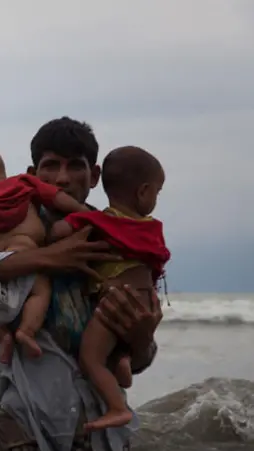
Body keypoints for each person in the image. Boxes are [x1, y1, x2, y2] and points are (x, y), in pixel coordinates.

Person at [0, 117, 162, 451]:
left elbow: (141, 360)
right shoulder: (5, 229)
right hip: (30, 428)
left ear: (95, 175)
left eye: (75, 166)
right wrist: (44, 259)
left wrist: (142, 338)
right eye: (51, 166)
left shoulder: (115, 238)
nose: (62, 178)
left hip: (103, 437)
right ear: (33, 173)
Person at [50, 146, 170, 431]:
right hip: (144, 298)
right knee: (114, 344)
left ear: (97, 177)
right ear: (142, 192)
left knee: (91, 358)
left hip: (114, 300)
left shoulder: (99, 223)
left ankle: (117, 407)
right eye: (157, 192)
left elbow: (59, 232)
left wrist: (52, 238)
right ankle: (123, 360)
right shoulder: (152, 227)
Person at [0, 147, 87, 362]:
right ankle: (26, 332)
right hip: (24, 251)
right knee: (40, 292)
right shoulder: (24, 183)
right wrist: (83, 212)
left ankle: (3, 336)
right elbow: (57, 198)